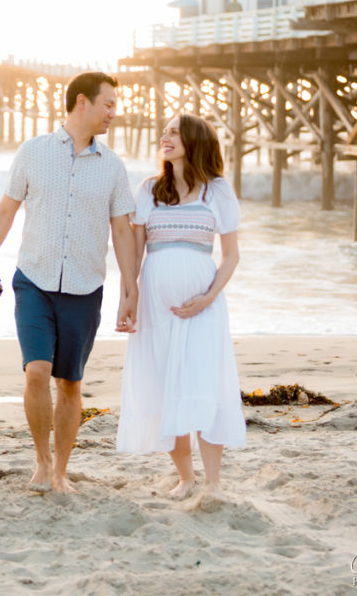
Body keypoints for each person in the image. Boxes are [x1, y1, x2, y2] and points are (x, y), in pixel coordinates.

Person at [0, 71, 138, 494]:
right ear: (82, 102)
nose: (113, 114)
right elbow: (6, 210)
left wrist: (129, 288)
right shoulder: (33, 152)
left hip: (85, 288)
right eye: (108, 105)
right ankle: (42, 461)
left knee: (69, 383)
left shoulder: (114, 167)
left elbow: (121, 230)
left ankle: (61, 470)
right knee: (36, 372)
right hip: (35, 280)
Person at [116, 112, 246, 501]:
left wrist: (208, 296)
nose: (164, 136)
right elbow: (136, 252)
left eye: (174, 132)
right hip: (157, 310)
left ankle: (213, 483)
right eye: (165, 131)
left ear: (194, 140)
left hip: (203, 308)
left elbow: (231, 256)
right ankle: (186, 478)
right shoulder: (149, 189)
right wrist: (129, 297)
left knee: (204, 385)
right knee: (163, 386)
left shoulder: (217, 191)